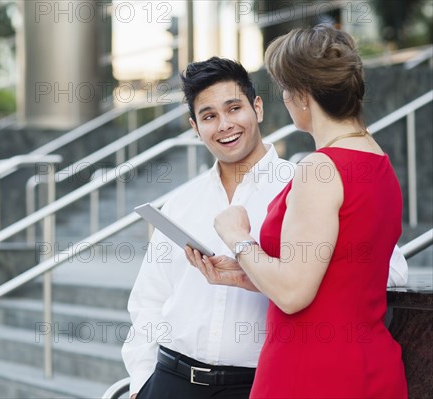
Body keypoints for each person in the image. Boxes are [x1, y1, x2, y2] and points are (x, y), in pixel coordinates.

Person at [122, 56, 408, 399]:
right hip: (173, 380)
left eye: (234, 108)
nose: (224, 124)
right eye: (209, 116)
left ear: (257, 108)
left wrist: (281, 269)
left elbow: (387, 268)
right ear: (195, 128)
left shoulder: (308, 183)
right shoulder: (181, 203)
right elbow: (148, 300)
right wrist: (141, 383)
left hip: (260, 381)